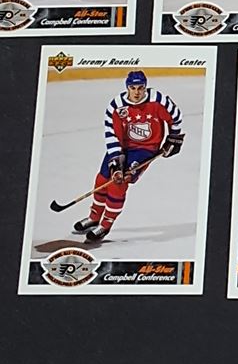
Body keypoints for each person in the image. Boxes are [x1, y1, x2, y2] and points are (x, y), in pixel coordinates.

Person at [71, 71, 185, 245]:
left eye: (140, 87)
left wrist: (173, 138)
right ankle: (94, 217)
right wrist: (116, 161)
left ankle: (105, 224)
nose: (137, 92)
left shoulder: (158, 100)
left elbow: (176, 117)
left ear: (145, 87)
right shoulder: (116, 106)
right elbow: (112, 135)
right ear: (127, 87)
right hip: (122, 147)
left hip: (145, 149)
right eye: (133, 88)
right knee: (102, 179)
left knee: (120, 182)